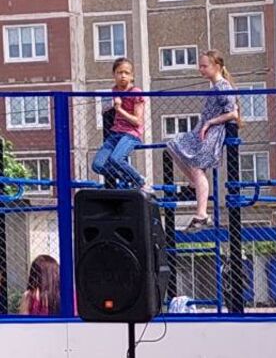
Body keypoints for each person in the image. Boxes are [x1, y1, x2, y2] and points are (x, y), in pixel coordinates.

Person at [166, 50, 239, 232]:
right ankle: (194, 185)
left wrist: (210, 123)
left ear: (217, 67)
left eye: (204, 66)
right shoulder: (214, 87)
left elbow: (233, 112)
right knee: (173, 145)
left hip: (212, 133)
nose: (201, 69)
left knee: (197, 168)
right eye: (200, 66)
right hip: (202, 130)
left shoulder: (223, 87)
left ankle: (202, 213)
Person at [91, 58, 149, 192]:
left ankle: (141, 182)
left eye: (126, 73)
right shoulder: (115, 90)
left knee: (116, 159)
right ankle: (131, 177)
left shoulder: (136, 92)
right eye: (119, 72)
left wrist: (119, 110)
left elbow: (138, 121)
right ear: (114, 75)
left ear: (132, 76)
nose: (123, 76)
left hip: (131, 134)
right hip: (115, 132)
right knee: (97, 165)